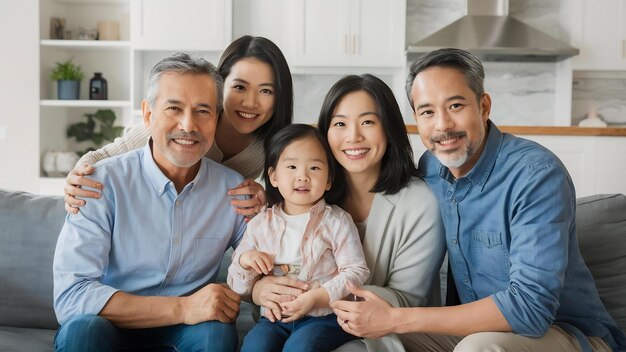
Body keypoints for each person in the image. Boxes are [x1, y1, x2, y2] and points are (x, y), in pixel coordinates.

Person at [330, 48, 626, 352]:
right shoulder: (431, 169)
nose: (442, 125)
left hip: (565, 333)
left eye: (455, 105)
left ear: (483, 106)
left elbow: (531, 309)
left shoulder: (535, 174)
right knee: (360, 346)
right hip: (472, 333)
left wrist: (396, 319)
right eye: (427, 112)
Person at [53, 53, 247, 352]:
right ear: (147, 115)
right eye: (174, 108)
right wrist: (183, 308)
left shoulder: (234, 190)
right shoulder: (99, 184)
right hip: (110, 323)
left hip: (187, 332)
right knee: (83, 329)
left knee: (216, 335)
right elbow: (71, 296)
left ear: (216, 120)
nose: (188, 124)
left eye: (202, 111)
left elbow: (262, 261)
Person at [251, 74, 446, 351]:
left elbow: (406, 299)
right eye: (340, 123)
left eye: (368, 122)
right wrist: (257, 290)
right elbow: (257, 260)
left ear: (388, 129)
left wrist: (319, 295)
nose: (353, 136)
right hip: (290, 322)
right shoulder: (304, 187)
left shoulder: (419, 202)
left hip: (383, 331)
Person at [62, 35, 293, 217]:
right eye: (240, 87)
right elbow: (101, 157)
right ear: (220, 87)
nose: (250, 103)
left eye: (266, 91)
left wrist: (263, 200)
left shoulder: (274, 146)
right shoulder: (173, 126)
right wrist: (76, 178)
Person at [227, 123, 370, 352]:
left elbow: (356, 271)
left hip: (324, 318)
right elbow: (236, 284)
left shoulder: (337, 221)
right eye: (292, 166)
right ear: (273, 176)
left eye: (314, 168)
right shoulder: (261, 224)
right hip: (275, 319)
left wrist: (318, 297)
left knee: (300, 347)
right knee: (254, 346)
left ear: (328, 180)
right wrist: (245, 261)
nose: (302, 176)